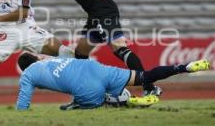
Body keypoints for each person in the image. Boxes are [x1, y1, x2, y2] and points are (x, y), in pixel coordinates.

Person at [27, 0, 161, 98]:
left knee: (120, 49)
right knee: (80, 55)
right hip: (99, 8)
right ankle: (86, 95)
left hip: (100, 10)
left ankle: (149, 86)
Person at [16, 52, 210, 110]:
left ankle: (126, 101)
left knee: (90, 103)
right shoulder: (50, 59)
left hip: (85, 86)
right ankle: (185, 67)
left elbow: (23, 102)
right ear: (36, 58)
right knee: (145, 76)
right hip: (95, 68)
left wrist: (20, 113)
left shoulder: (27, 75)